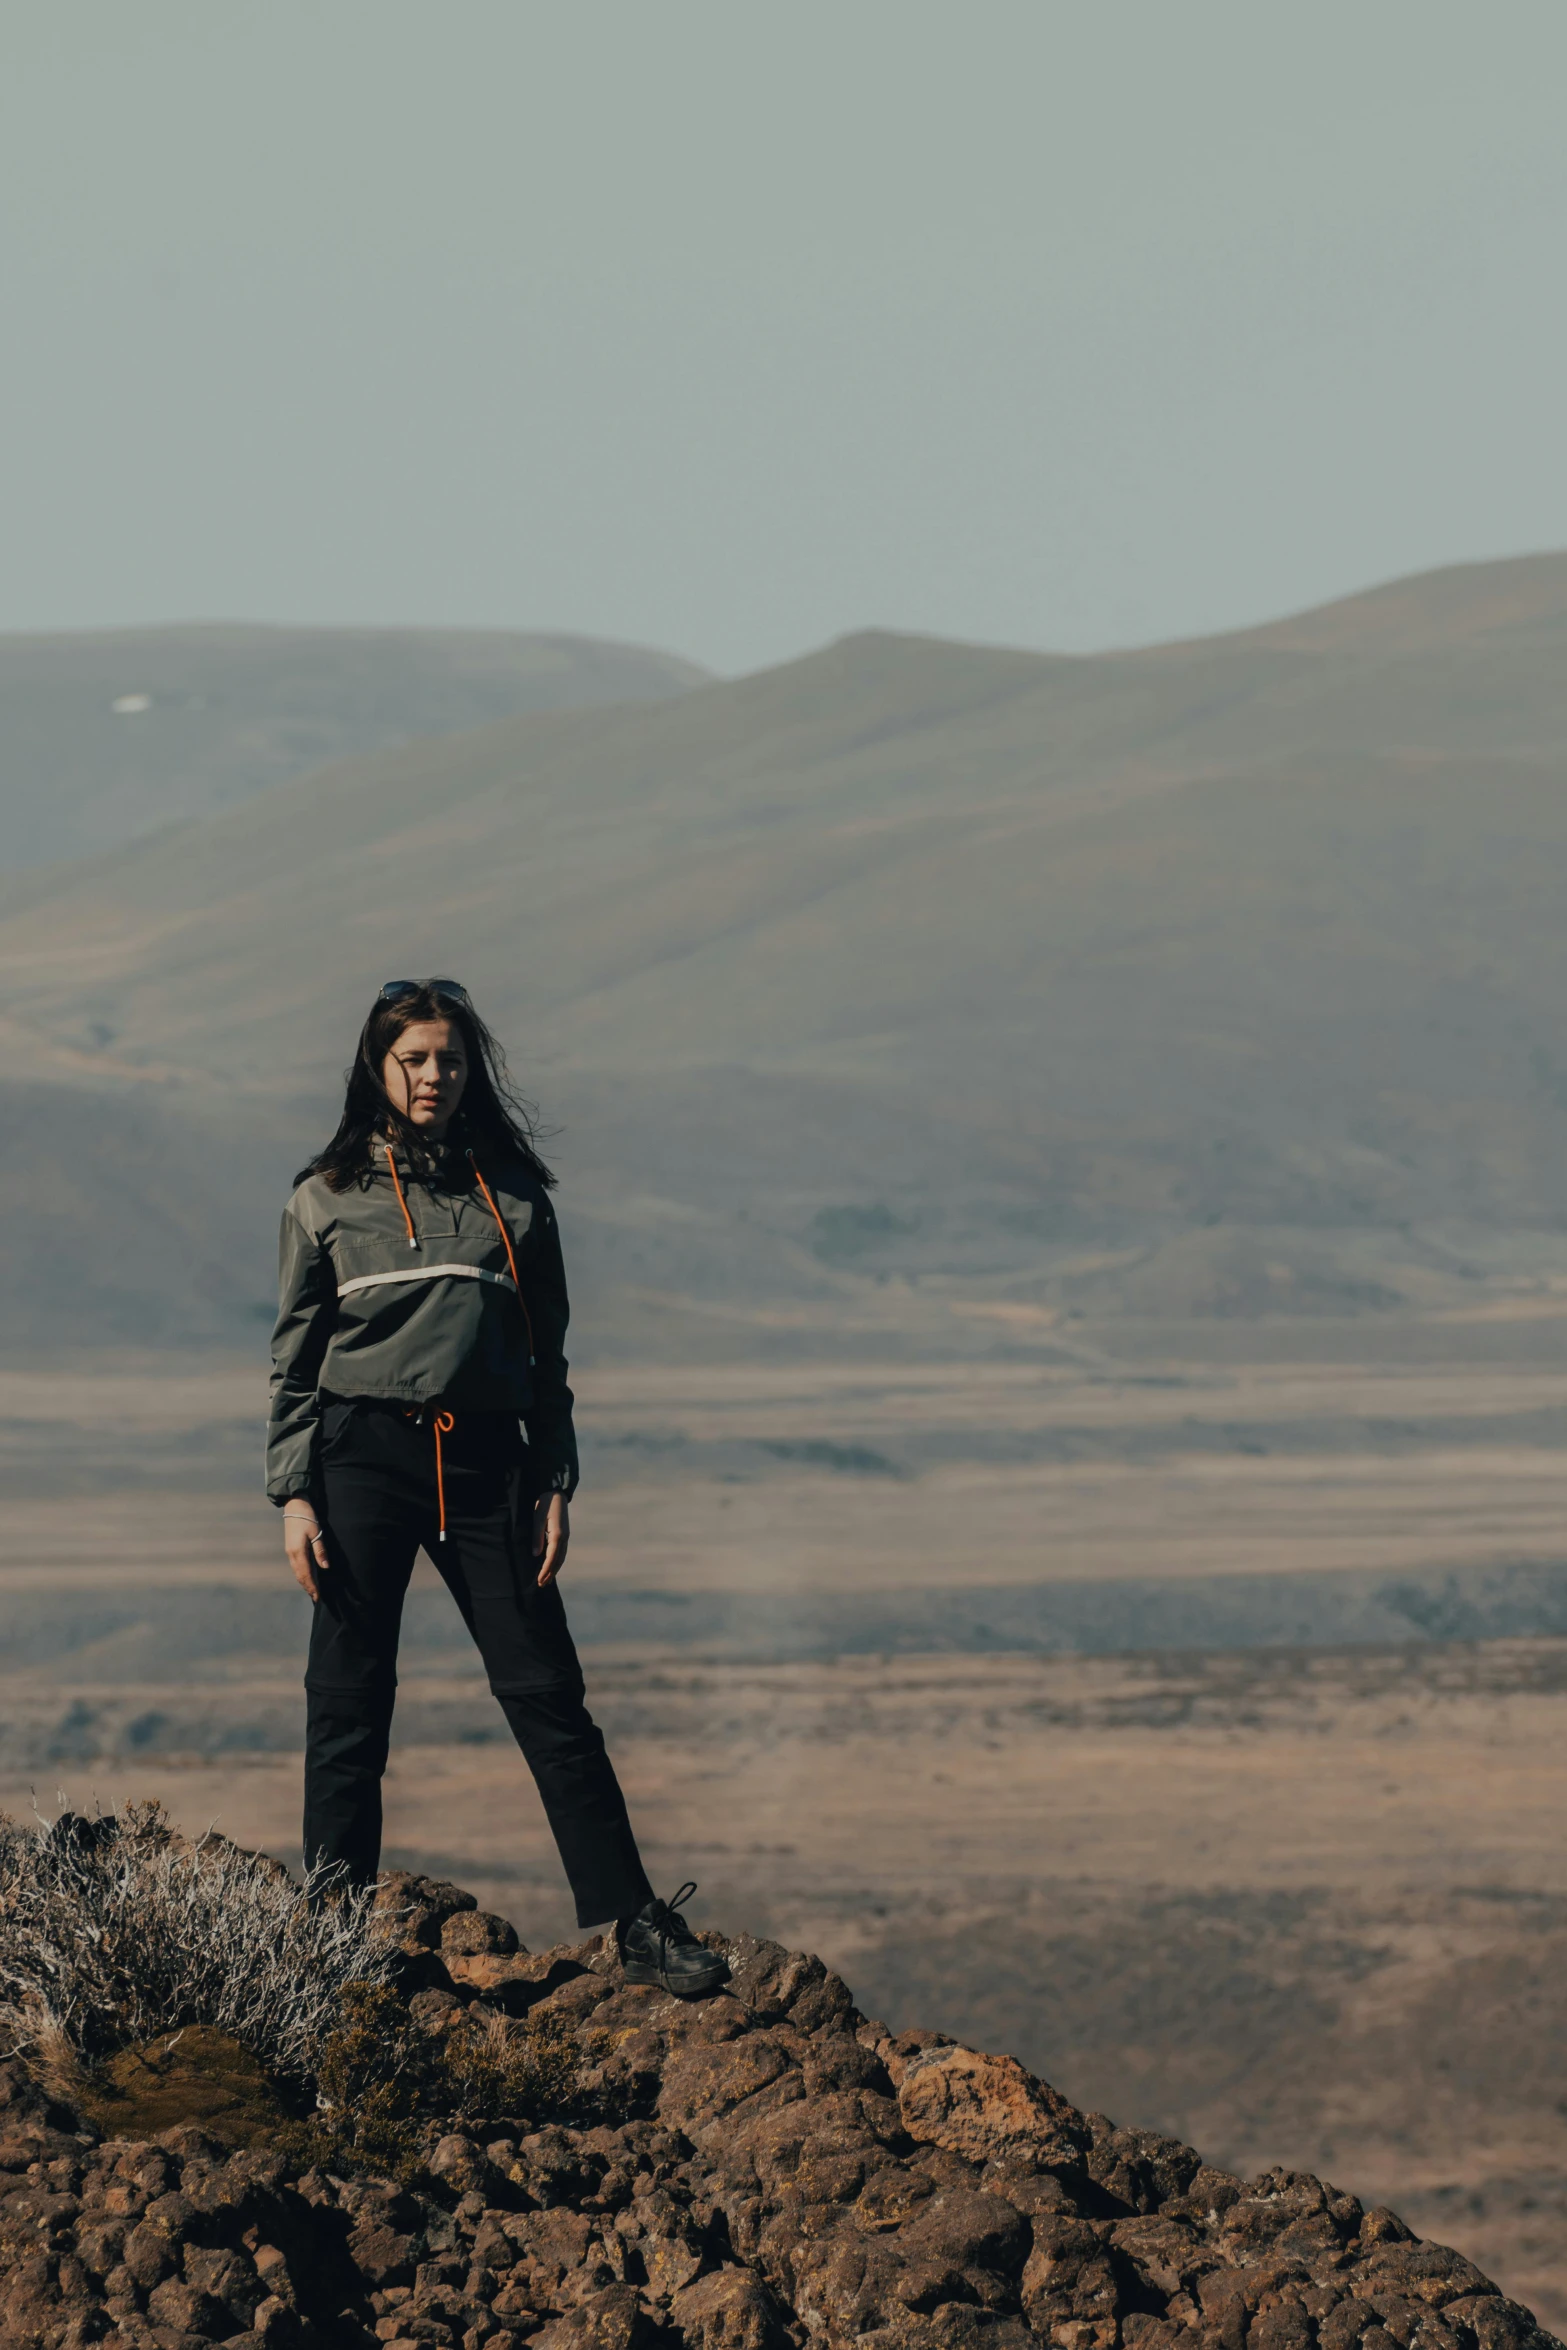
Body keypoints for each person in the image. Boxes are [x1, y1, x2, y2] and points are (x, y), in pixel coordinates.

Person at [266, 977, 725, 1997]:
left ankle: (633, 1920)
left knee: (548, 1693)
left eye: (449, 1059)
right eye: (413, 1059)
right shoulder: (325, 1197)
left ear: (471, 1070)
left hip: (486, 1465)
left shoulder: (513, 1199)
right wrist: (293, 1495)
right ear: (377, 1070)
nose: (433, 1076)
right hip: (360, 1459)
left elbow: (546, 1355)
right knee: (346, 1700)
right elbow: (294, 1362)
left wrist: (552, 1476)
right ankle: (328, 1936)